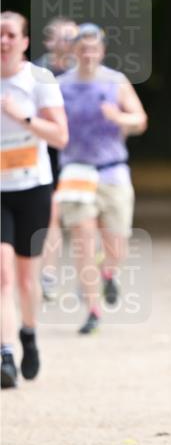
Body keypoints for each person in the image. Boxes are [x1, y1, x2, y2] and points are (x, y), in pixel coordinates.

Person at [57, 23, 148, 335]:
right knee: (82, 242)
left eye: (93, 48)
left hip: (112, 170)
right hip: (75, 172)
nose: (87, 54)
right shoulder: (62, 85)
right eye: (82, 48)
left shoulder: (116, 82)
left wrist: (119, 117)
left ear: (102, 51)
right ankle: (93, 310)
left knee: (117, 242)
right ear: (73, 51)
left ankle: (108, 271)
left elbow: (140, 120)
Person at [0, 11, 68, 387]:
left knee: (28, 280)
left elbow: (60, 136)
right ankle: (5, 352)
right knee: (3, 273)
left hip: (33, 188)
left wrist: (23, 116)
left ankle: (28, 334)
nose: (3, 41)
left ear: (24, 41)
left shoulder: (38, 80)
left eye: (10, 34)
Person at [34, 17, 78, 302]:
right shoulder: (36, 73)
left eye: (74, 38)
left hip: (79, 153)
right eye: (66, 38)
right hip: (47, 152)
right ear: (50, 42)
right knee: (51, 214)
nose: (72, 44)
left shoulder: (85, 71)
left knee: (83, 215)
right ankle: (48, 273)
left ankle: (93, 272)